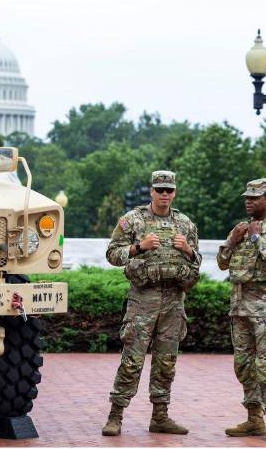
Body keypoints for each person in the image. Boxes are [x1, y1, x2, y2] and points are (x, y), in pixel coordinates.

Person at [102, 170, 201, 436]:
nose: (165, 195)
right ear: (151, 191)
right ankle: (115, 415)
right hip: (143, 299)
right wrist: (138, 247)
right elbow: (112, 254)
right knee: (132, 360)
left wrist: (189, 251)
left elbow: (197, 262)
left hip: (174, 301)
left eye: (169, 190)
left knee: (166, 361)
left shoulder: (186, 224)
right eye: (160, 190)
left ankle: (160, 416)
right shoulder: (132, 221)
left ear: (175, 192)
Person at [217, 178, 266, 441]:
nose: (248, 200)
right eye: (246, 196)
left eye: (254, 197)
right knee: (243, 366)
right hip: (240, 308)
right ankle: (254, 419)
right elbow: (223, 263)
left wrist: (257, 238)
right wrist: (233, 241)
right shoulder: (241, 228)